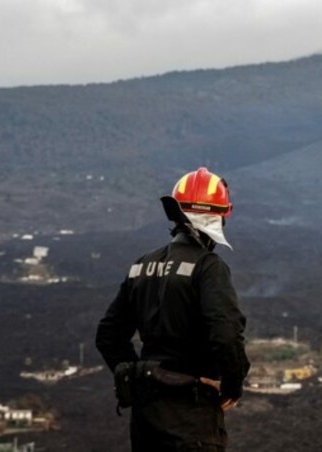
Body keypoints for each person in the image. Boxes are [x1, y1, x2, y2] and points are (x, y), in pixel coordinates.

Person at [96, 167, 250, 451]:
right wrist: (232, 386)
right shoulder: (209, 267)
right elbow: (226, 333)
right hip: (192, 414)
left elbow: (108, 335)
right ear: (220, 218)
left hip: (146, 418)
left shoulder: (142, 265)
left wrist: (140, 378)